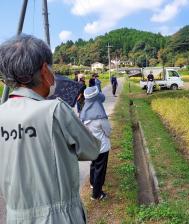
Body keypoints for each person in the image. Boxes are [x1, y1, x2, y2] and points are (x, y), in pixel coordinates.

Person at [0, 34, 101, 224]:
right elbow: (92, 150)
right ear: (45, 70)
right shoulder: (55, 110)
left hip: (14, 217)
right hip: (58, 217)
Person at [80, 86, 111, 200]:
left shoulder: (83, 114)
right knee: (100, 170)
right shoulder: (100, 116)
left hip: (91, 146)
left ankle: (93, 184)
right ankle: (97, 194)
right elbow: (108, 131)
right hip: (102, 147)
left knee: (93, 165)